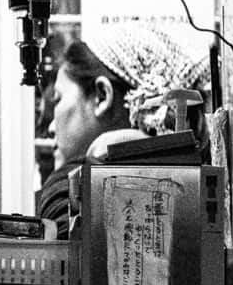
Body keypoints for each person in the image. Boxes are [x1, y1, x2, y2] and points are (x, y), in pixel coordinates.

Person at [37, 20, 213, 225]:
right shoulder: (187, 188)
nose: (50, 128)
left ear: (102, 96)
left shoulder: (70, 195)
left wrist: (97, 159)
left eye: (59, 98)